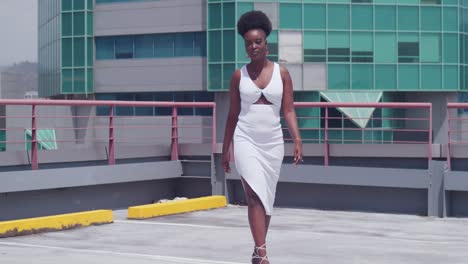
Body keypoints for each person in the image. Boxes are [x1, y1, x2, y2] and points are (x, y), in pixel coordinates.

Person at [222, 10, 303, 264]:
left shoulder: (282, 74)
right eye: (248, 43)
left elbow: (288, 110)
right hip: (245, 139)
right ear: (245, 46)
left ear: (266, 43)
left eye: (257, 41)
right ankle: (262, 253)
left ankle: (258, 250)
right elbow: (233, 115)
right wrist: (226, 149)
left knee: (266, 199)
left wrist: (297, 139)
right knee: (254, 195)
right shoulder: (239, 76)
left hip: (273, 143)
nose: (253, 46)